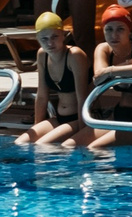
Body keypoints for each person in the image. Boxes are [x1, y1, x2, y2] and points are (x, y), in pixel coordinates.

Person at [15, 11, 96, 148]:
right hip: (58, 118)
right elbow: (41, 96)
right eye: (44, 39)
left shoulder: (74, 55)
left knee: (42, 146)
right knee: (21, 143)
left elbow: (82, 97)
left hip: (80, 117)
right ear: (37, 38)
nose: (50, 43)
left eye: (54, 37)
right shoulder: (42, 55)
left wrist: (83, 133)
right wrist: (37, 127)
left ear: (64, 35)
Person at [88, 2, 132, 148]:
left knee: (94, 149)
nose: (114, 35)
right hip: (121, 115)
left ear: (129, 31)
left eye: (120, 29)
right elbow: (98, 76)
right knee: (69, 146)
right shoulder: (103, 48)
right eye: (109, 29)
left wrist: (110, 71)